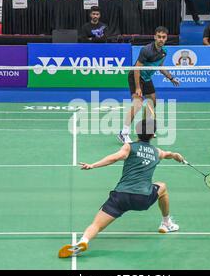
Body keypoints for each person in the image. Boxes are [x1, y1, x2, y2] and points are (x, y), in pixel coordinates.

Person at [58, 119, 184, 258]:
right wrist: (175, 155)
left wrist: (93, 165)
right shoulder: (157, 152)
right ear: (153, 135)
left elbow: (115, 157)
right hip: (142, 198)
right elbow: (167, 154)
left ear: (136, 132)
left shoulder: (129, 147)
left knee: (97, 225)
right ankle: (166, 223)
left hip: (120, 197)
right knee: (163, 186)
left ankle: (84, 241)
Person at [118, 26, 180, 144]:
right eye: (159, 37)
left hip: (146, 78)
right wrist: (137, 87)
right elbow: (137, 68)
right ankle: (123, 132)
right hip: (136, 76)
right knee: (137, 104)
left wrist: (170, 77)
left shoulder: (164, 51)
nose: (161, 39)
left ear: (166, 38)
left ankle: (146, 129)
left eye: (163, 37)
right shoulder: (146, 50)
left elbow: (160, 66)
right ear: (155, 37)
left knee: (152, 101)